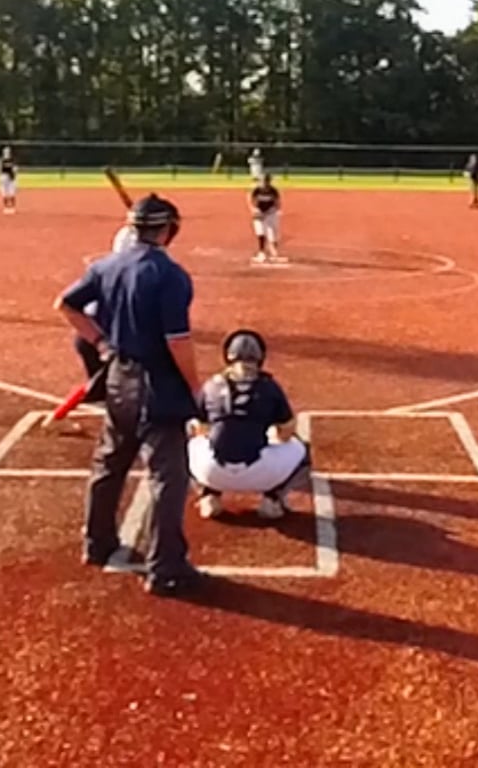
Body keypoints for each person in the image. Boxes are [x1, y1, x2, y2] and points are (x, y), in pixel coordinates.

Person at [55, 194, 205, 596]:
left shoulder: (105, 266)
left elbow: (66, 305)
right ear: (168, 229)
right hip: (159, 383)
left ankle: (97, 543)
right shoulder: (170, 275)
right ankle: (166, 567)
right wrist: (194, 387)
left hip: (118, 377)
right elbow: (177, 340)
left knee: (109, 463)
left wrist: (102, 343)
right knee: (168, 476)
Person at [189, 330, 310, 521]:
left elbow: (200, 429)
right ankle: (273, 499)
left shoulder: (211, 385)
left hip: (212, 471)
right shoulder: (269, 387)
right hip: (261, 472)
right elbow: (286, 432)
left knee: (183, 440)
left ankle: (208, 495)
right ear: (260, 358)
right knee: (303, 451)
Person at [74, 218, 142, 403]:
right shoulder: (145, 273)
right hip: (105, 331)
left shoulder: (103, 269)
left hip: (95, 332)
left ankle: (102, 390)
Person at [249, 173, 283, 264]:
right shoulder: (256, 190)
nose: (264, 183)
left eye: (266, 181)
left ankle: (273, 253)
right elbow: (251, 200)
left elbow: (277, 204)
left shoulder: (273, 191)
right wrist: (254, 210)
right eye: (262, 181)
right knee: (260, 232)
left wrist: (268, 213)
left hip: (271, 213)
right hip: (259, 212)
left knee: (272, 232)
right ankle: (262, 253)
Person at [0, 146, 19, 214]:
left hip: (11, 178)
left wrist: (15, 174)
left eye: (8, 152)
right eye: (5, 152)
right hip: (4, 177)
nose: (7, 153)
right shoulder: (1, 160)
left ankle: (13, 207)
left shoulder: (12, 160)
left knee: (12, 193)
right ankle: (6, 207)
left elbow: (15, 169)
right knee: (4, 194)